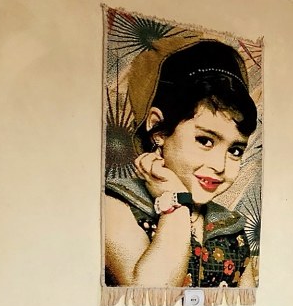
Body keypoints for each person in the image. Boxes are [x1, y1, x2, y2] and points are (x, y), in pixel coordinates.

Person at [102, 38, 259, 289]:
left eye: (235, 150)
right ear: (158, 129)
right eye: (205, 140)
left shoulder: (230, 226)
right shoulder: (117, 205)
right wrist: (176, 202)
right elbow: (150, 296)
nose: (220, 165)